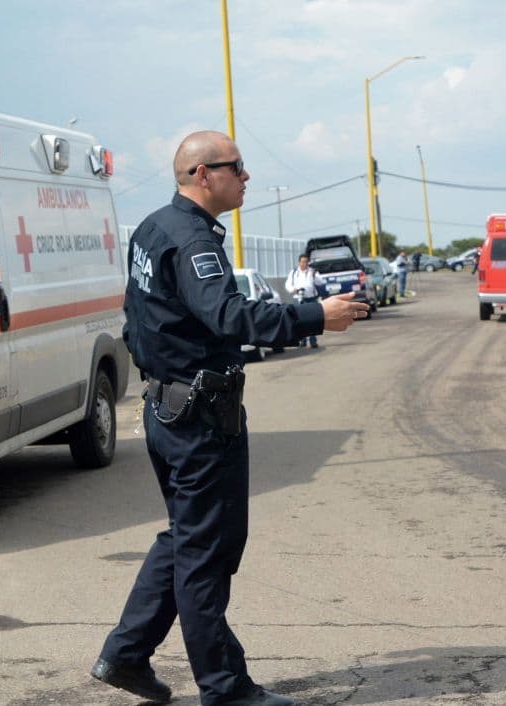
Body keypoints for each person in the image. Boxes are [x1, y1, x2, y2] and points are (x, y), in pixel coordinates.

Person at [91, 130, 369, 706]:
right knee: (206, 553)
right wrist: (315, 315)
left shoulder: (151, 229)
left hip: (168, 409)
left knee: (185, 541)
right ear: (202, 175)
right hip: (198, 421)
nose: (245, 177)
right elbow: (227, 314)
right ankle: (225, 688)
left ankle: (126, 653)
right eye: (236, 168)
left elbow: (136, 314)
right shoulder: (191, 240)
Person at [284, 253, 322, 348]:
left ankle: (313, 341)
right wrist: (294, 290)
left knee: (313, 320)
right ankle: (302, 341)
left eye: (306, 262)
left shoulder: (312, 271)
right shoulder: (294, 272)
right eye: (302, 262)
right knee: (300, 320)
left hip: (312, 298)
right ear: (299, 262)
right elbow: (288, 285)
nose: (304, 264)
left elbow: (321, 282)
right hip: (300, 299)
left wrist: (314, 276)